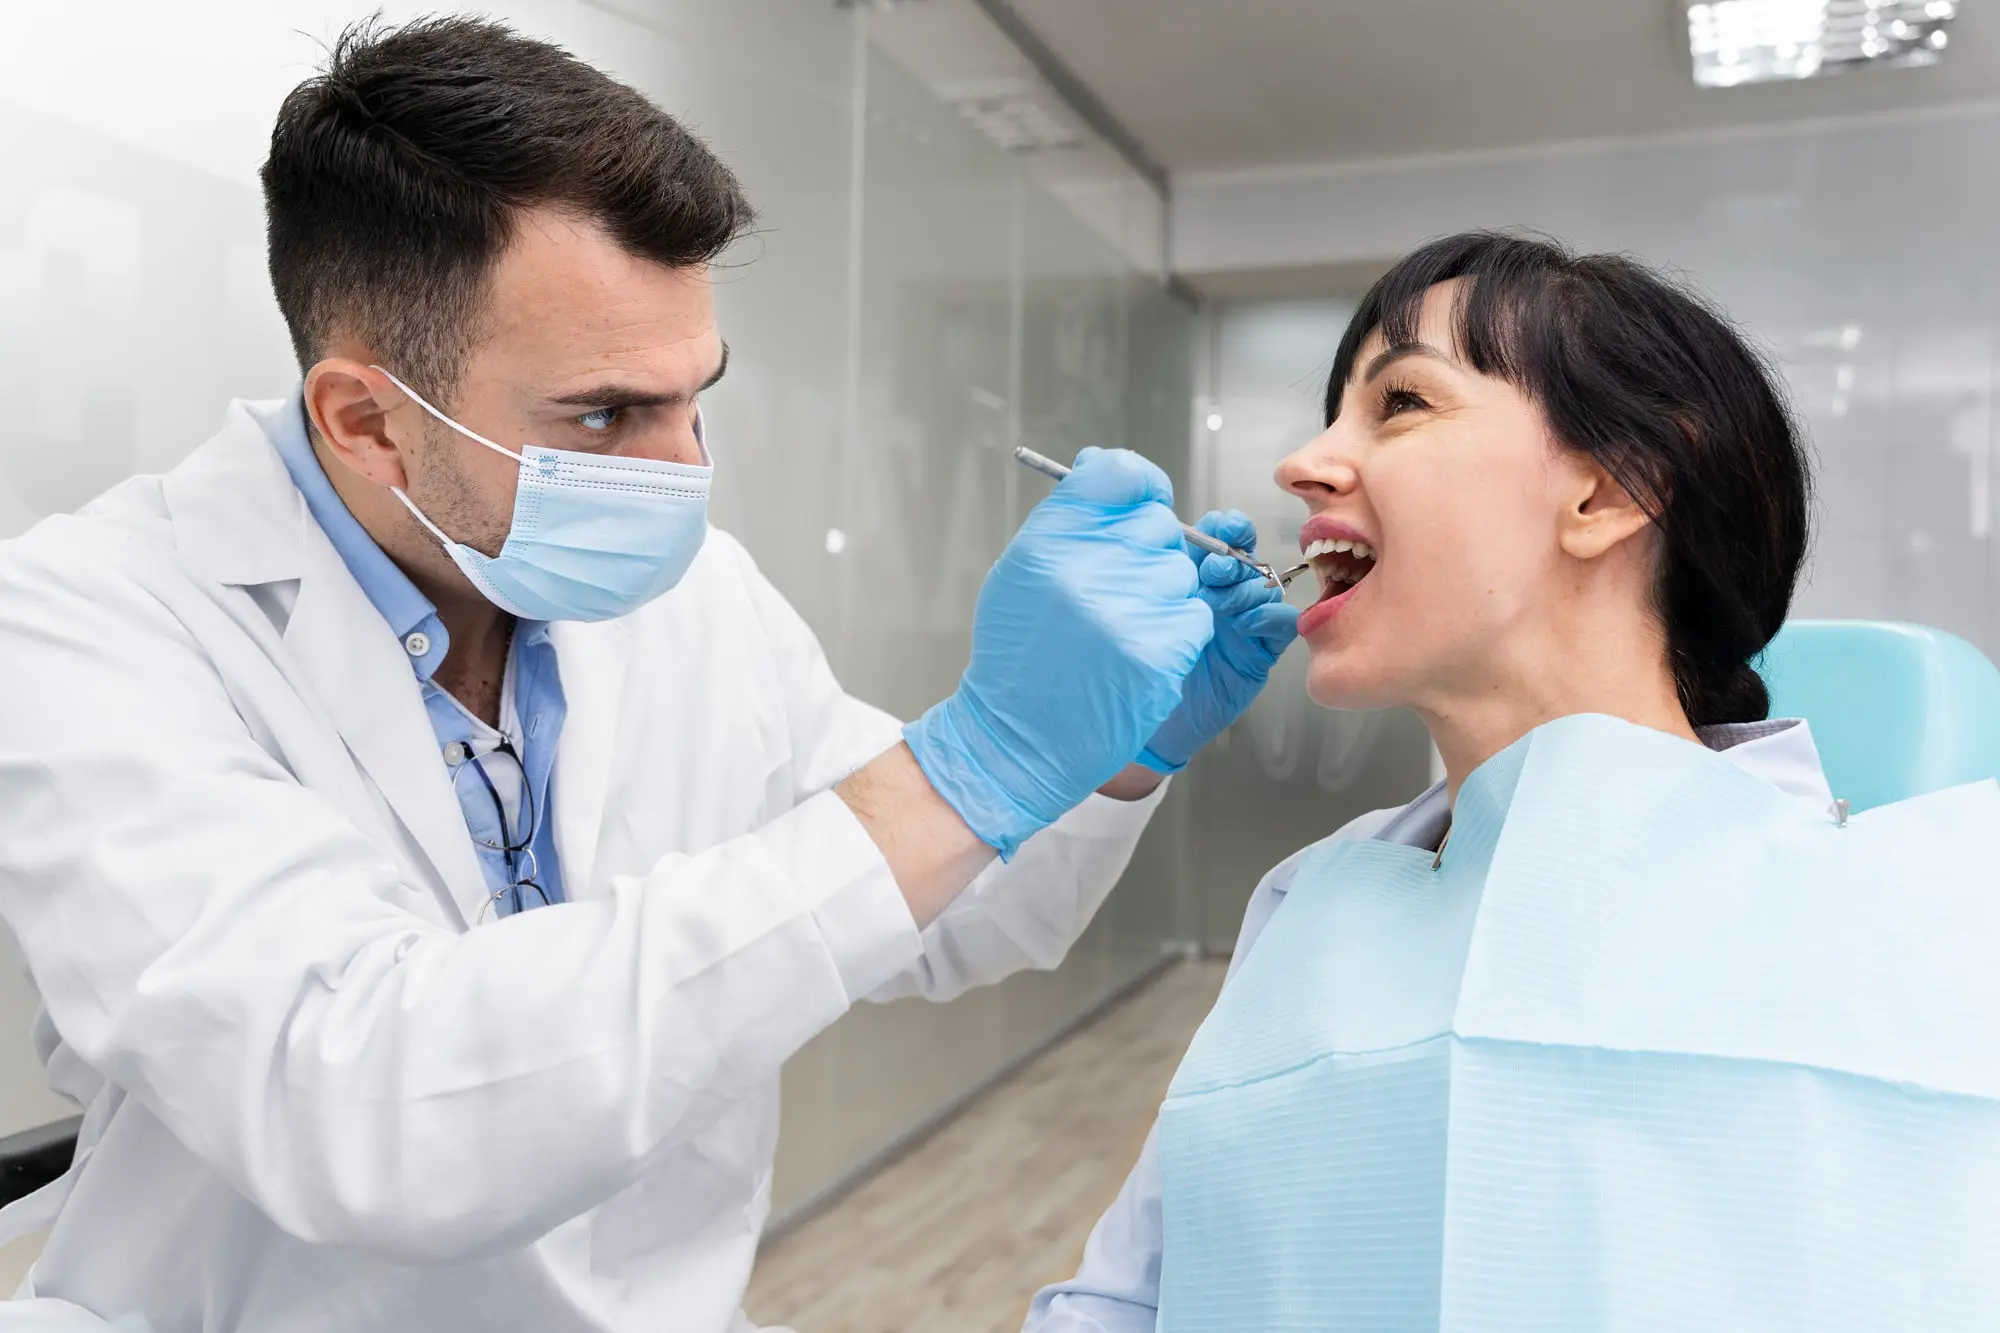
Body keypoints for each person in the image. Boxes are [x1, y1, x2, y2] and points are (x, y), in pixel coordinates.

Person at [0, 18, 1298, 1333]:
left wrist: (1110, 754)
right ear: (368, 420)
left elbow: (946, 912)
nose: (685, 471)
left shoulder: (693, 596)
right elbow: (368, 1106)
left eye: (696, 398)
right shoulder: (90, 621)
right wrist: (967, 767)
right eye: (608, 413)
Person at [1027, 233, 1997, 1328]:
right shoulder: (1310, 897)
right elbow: (1122, 1300)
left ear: (1610, 490)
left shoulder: (1925, 914)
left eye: (1400, 401)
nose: (1301, 463)